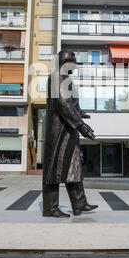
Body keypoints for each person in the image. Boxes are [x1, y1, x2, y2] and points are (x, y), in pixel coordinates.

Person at [42, 50, 98, 218]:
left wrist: (80, 113)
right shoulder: (56, 77)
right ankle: (50, 208)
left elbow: (71, 105)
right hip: (59, 131)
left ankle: (79, 203)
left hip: (69, 128)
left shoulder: (67, 80)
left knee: (73, 166)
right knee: (54, 169)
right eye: (72, 61)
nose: (75, 64)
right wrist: (80, 124)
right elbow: (62, 103)